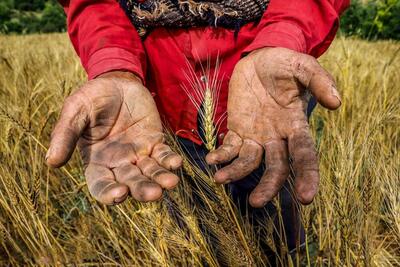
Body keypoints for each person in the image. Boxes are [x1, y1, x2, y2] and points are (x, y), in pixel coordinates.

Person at [47, 0, 349, 257]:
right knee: (191, 220)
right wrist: (115, 63)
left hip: (271, 98)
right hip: (155, 103)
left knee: (276, 218)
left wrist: (283, 35)